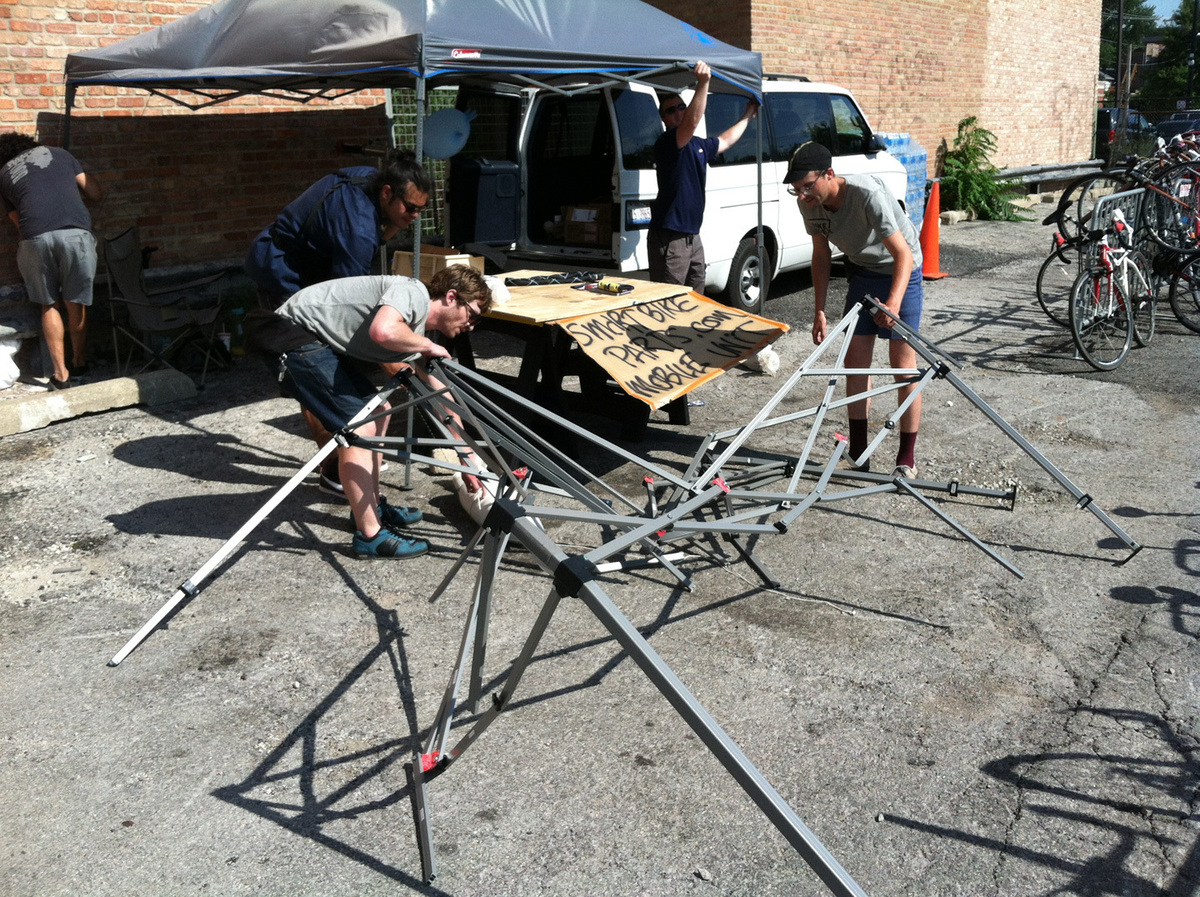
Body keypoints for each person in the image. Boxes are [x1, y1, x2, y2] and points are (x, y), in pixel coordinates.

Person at [245, 147, 433, 498]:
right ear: (387, 193)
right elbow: (354, 313)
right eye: (410, 208)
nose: (415, 216)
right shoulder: (358, 230)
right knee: (314, 366)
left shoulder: (369, 179)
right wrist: (396, 364)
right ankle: (333, 467)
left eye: (421, 210)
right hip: (280, 273)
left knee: (331, 364)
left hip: (308, 269)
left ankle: (346, 451)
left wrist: (391, 224)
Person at [274, 265, 493, 559]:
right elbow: (382, 330)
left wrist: (467, 459)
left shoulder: (411, 330)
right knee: (359, 426)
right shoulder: (413, 292)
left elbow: (441, 397)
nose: (472, 325)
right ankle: (371, 536)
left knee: (379, 410)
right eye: (473, 314)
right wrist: (427, 345)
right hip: (291, 334)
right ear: (451, 297)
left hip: (313, 340)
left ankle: (370, 508)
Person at [787, 141, 924, 479]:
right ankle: (860, 451)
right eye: (796, 190)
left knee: (902, 364)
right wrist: (819, 309)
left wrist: (893, 303)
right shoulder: (810, 205)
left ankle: (906, 457)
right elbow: (821, 256)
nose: (803, 195)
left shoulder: (866, 195)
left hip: (900, 268)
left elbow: (903, 255)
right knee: (855, 362)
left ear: (829, 174)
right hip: (863, 271)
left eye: (807, 186)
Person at [0, 132, 102, 389]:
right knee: (75, 302)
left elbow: (19, 223)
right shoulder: (61, 154)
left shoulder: (3, 175)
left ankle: (61, 374)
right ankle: (79, 362)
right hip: (75, 233)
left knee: (48, 304)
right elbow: (95, 192)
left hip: (35, 239)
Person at [648, 60, 758, 291]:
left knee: (697, 297)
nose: (678, 112)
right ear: (665, 119)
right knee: (669, 301)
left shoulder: (697, 144)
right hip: (671, 238)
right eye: (671, 110)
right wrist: (703, 82)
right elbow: (693, 121)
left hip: (692, 235)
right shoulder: (667, 142)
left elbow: (725, 140)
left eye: (681, 107)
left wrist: (747, 116)